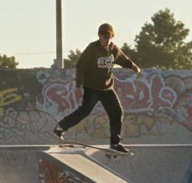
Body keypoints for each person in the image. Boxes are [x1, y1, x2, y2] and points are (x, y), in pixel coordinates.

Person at [53, 23, 141, 154]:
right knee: (85, 110)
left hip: (107, 88)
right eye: (104, 37)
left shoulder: (113, 49)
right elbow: (80, 66)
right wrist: (78, 85)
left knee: (117, 112)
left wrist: (133, 66)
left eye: (109, 37)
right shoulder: (92, 48)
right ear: (99, 36)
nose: (106, 40)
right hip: (92, 87)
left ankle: (115, 143)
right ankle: (61, 127)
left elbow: (122, 59)